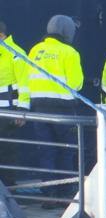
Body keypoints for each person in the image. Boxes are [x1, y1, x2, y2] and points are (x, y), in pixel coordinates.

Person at [26, 15, 83, 203]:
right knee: (66, 151)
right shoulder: (69, 52)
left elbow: (28, 78)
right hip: (63, 110)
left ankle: (49, 194)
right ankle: (65, 192)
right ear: (68, 32)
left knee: (46, 151)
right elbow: (76, 83)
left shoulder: (35, 50)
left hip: (39, 109)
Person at [0, 20, 29, 186]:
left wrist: (22, 110)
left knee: (7, 152)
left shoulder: (16, 54)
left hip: (9, 111)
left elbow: (25, 84)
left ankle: (9, 191)